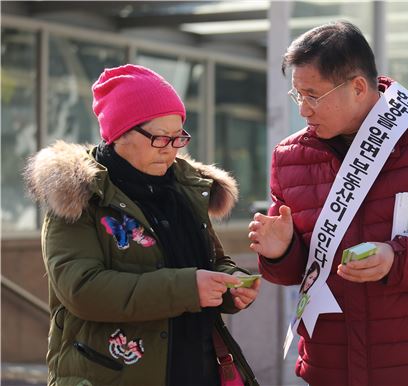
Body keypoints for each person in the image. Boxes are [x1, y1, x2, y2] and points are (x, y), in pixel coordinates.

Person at [249, 21, 408, 386]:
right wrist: (279, 252)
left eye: (313, 95)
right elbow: (299, 271)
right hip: (331, 366)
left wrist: (396, 259)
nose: (303, 109)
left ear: (358, 87)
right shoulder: (290, 156)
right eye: (297, 95)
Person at [24, 64, 260, 386]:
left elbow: (212, 261)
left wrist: (232, 285)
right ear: (121, 134)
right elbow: (82, 290)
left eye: (179, 137)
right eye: (161, 138)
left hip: (198, 369)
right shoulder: (79, 195)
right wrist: (189, 288)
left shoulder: (184, 189)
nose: (172, 150)